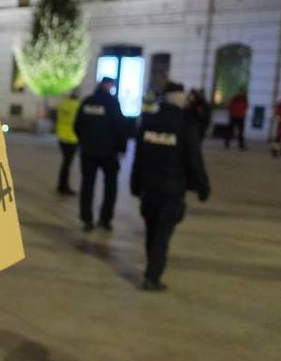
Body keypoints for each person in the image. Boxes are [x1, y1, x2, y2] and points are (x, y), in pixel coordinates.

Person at [129, 81, 210, 291]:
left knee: (152, 231)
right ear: (181, 99)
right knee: (163, 235)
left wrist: (135, 184)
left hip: (150, 189)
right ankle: (152, 276)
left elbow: (138, 157)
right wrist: (203, 187)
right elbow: (194, 159)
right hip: (172, 190)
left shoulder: (148, 121)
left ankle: (151, 267)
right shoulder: (186, 125)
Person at [74, 78, 128, 231]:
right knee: (110, 187)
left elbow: (77, 125)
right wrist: (121, 148)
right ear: (108, 86)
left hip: (88, 151)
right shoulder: (112, 103)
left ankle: (87, 219)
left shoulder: (87, 101)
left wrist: (84, 141)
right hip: (109, 153)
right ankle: (105, 219)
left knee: (87, 186)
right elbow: (120, 127)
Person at [54, 89, 81, 195]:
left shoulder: (62, 104)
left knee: (65, 163)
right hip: (72, 138)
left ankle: (62, 184)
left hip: (61, 136)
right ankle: (63, 186)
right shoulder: (77, 106)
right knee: (67, 164)